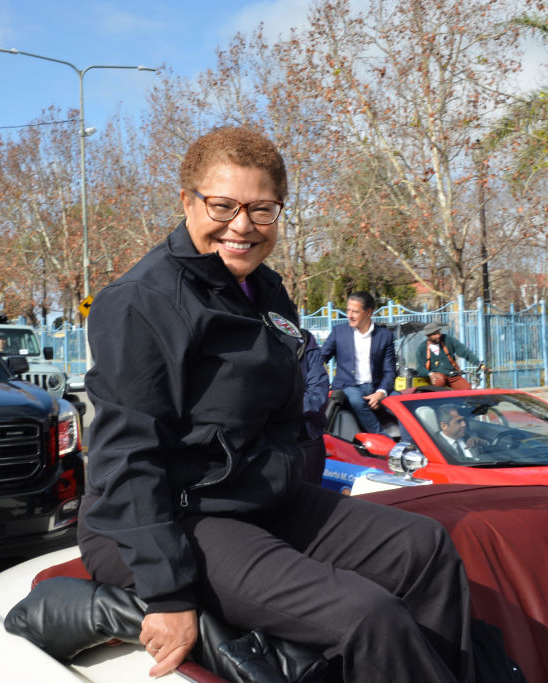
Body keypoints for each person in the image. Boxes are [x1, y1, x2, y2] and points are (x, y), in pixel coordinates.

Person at [78, 126, 475, 682]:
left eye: (262, 209)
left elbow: (286, 416)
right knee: (365, 615)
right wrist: (168, 593)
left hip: (255, 501)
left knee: (425, 547)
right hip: (171, 517)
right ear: (186, 202)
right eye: (223, 205)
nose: (241, 225)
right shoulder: (141, 303)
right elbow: (124, 456)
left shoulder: (265, 291)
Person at [319, 291, 397, 434]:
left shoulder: (384, 336)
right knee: (355, 399)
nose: (349, 315)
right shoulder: (339, 332)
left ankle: (410, 443)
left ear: (368, 312)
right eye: (348, 310)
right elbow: (320, 359)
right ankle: (384, 440)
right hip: (348, 387)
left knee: (400, 401)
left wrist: (381, 392)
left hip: (375, 387)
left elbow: (390, 370)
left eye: (355, 311)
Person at [298, 329, 329, 485]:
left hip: (307, 442)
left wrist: (284, 402)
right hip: (267, 447)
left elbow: (318, 399)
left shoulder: (305, 341)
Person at [415, 322, 485, 390]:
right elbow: (420, 368)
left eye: (438, 332)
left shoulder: (447, 340)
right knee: (439, 381)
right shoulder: (422, 348)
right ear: (428, 336)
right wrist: (430, 374)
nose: (438, 335)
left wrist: (479, 364)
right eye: (434, 334)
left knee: (466, 390)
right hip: (436, 377)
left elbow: (464, 352)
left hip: (452, 375)